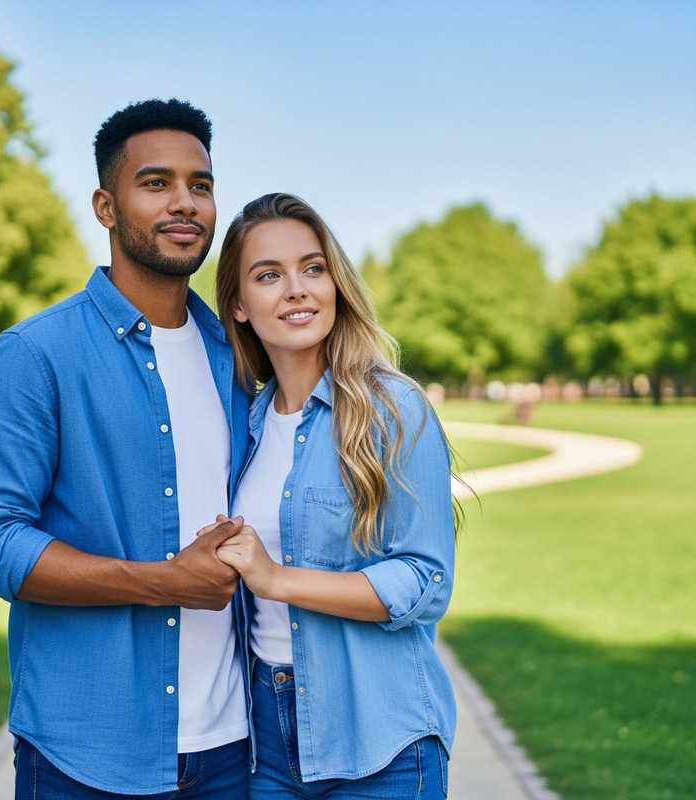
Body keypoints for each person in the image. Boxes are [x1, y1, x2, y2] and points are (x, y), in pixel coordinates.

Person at [0, 99, 251, 799]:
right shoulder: (35, 355)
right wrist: (163, 581)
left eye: (200, 185)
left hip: (233, 750)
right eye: (156, 183)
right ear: (105, 207)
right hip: (85, 756)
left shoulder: (238, 357)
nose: (184, 202)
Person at [209, 192, 457, 798]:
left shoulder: (394, 409)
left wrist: (277, 579)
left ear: (335, 283)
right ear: (239, 304)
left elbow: (425, 581)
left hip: (381, 739)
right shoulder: (243, 422)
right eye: (269, 275)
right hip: (266, 744)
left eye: (313, 268)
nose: (297, 289)